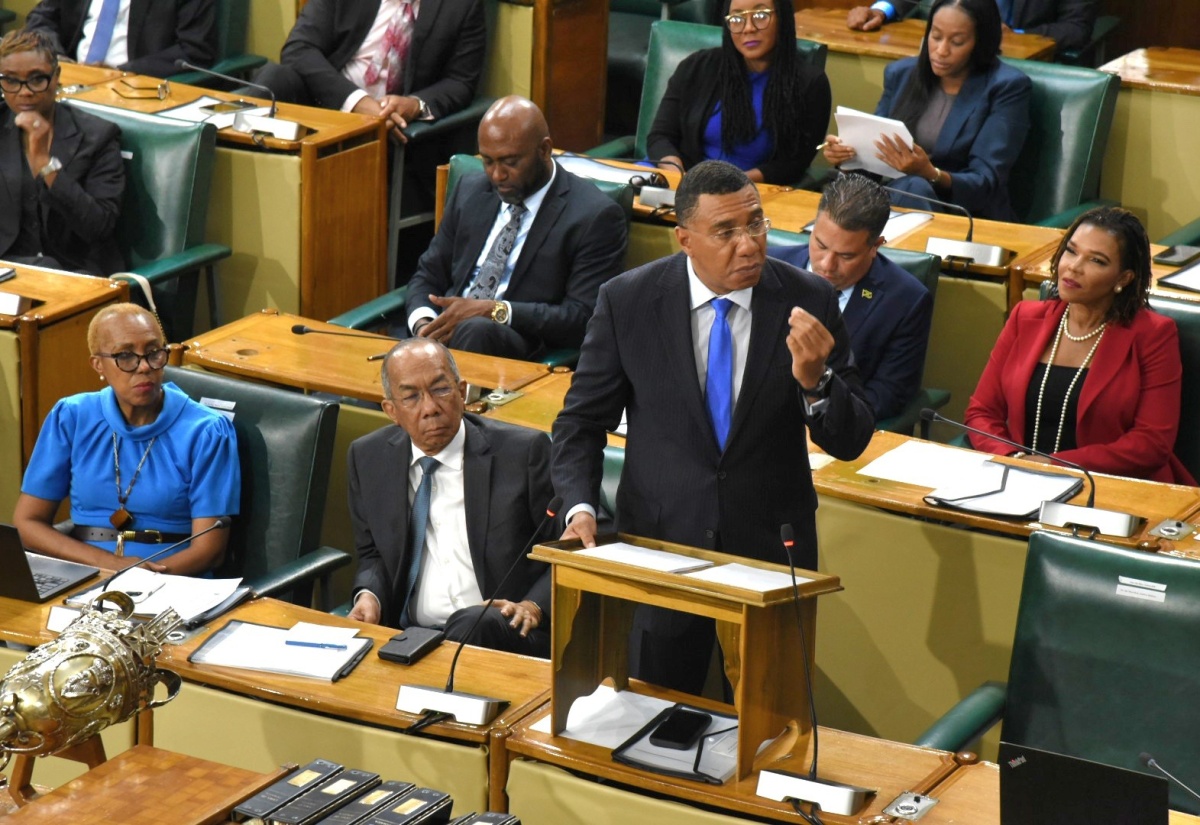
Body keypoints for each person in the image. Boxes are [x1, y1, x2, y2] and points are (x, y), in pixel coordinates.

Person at [551, 160, 875, 693]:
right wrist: (580, 506)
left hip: (770, 549)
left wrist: (817, 383)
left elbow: (851, 439)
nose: (748, 244)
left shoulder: (807, 299)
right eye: (725, 231)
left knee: (767, 721)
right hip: (659, 544)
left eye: (756, 224)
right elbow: (582, 421)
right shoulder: (628, 300)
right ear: (684, 239)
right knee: (653, 712)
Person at [346, 339, 555, 656]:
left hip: (503, 633)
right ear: (392, 411)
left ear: (462, 391)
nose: (429, 408)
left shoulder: (522, 454)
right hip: (410, 638)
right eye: (412, 397)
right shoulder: (368, 458)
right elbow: (372, 552)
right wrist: (369, 596)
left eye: (440, 390)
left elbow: (575, 543)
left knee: (473, 623)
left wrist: (534, 606)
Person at [964, 207, 1195, 485]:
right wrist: (1012, 458)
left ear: (1123, 278)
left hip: (1110, 487)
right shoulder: (1025, 318)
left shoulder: (1153, 335)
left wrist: (1055, 465)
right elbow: (982, 412)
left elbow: (1151, 444)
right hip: (1018, 479)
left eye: (1096, 260)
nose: (1073, 266)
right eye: (1071, 251)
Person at [14, 303, 240, 575]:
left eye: (154, 353)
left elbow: (209, 552)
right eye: (126, 356)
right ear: (98, 364)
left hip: (170, 579)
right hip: (81, 572)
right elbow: (28, 523)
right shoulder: (72, 417)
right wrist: (110, 567)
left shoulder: (206, 431)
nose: (144, 367)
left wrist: (137, 580)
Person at [405, 96, 628, 359]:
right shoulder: (470, 191)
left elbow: (582, 317)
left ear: (544, 150)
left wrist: (494, 310)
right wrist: (425, 327)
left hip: (517, 343)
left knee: (475, 330)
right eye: (488, 161)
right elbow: (428, 274)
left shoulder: (594, 216)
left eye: (510, 162)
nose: (497, 175)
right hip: (445, 335)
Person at [822, 0, 1031, 221]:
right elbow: (876, 157)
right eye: (936, 36)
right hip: (893, 201)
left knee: (914, 186)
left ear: (981, 43)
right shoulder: (902, 73)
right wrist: (848, 158)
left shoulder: (1007, 87)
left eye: (957, 41)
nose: (941, 51)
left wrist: (930, 173)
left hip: (964, 213)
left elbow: (986, 183)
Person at [771, 173, 933, 420]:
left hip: (831, 434)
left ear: (876, 246)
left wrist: (818, 421)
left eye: (846, 256)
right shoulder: (769, 268)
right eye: (820, 245)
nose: (826, 265)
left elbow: (884, 396)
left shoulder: (905, 300)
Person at [647, 0, 831, 185]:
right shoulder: (696, 67)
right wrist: (679, 177)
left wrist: (729, 184)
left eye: (760, 16)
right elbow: (660, 137)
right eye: (736, 18)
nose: (748, 28)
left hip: (745, 193)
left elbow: (792, 164)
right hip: (679, 181)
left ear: (782, 18)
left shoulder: (810, 84)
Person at [255, 0, 486, 142]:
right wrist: (357, 102)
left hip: (390, 127)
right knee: (273, 79)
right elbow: (298, 48)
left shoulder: (463, 4)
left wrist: (415, 105)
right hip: (326, 102)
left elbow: (460, 81)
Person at [0, 29, 124, 276]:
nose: (24, 91)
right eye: (11, 81)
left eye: (37, 79)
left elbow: (98, 227)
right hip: (8, 270)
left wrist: (47, 167)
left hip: (72, 271)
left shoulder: (97, 136)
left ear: (56, 76)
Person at [24, 0, 216, 80]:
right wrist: (56, 56)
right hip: (68, 76)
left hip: (133, 86)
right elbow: (41, 18)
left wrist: (122, 72)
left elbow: (193, 51)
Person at [846, 0, 1096, 55]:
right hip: (950, 59)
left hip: (1020, 63)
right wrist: (882, 10)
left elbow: (1076, 28)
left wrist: (1017, 36)